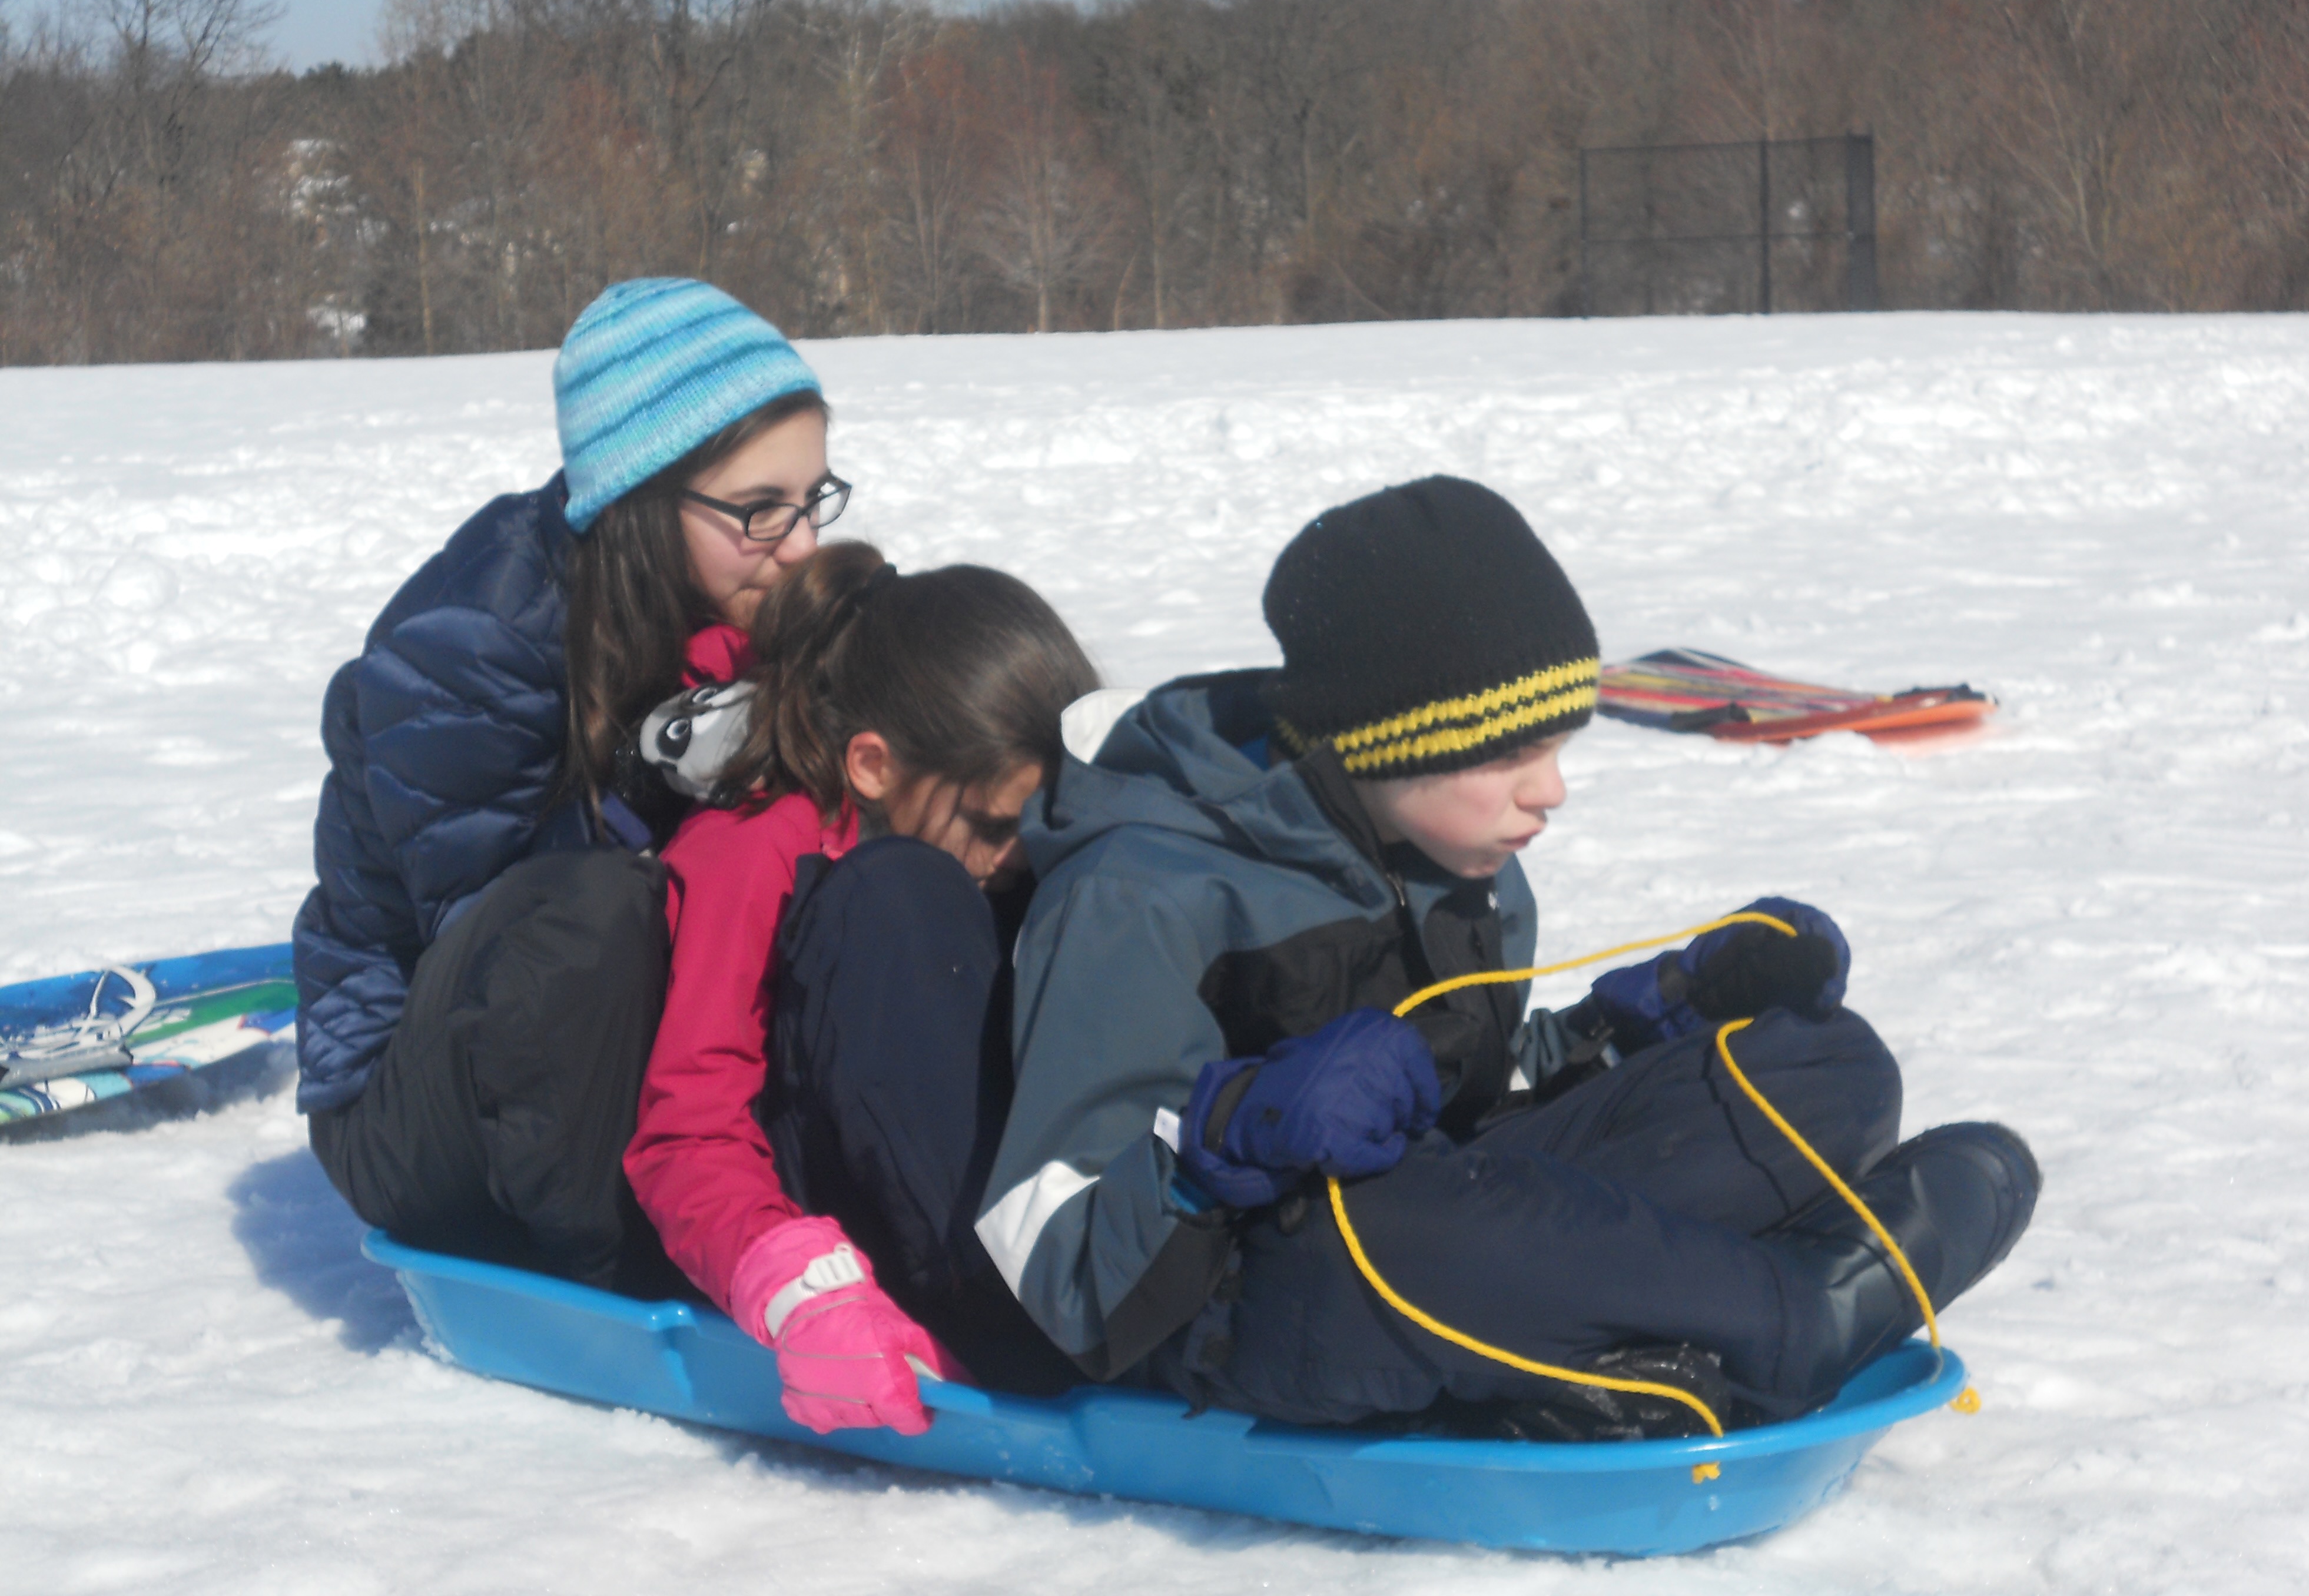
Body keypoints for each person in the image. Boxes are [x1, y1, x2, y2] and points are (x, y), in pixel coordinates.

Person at [972, 475, 2041, 1435]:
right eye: (1514, 754)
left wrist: (1646, 1021)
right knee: (1398, 1225)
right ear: (1389, 739)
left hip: (1452, 1208)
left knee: (1826, 1064)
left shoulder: (1452, 851)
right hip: (1259, 1293)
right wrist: (1229, 1139)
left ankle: (1653, 1321)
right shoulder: (1140, 893)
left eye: (1563, 746)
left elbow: (1470, 1096)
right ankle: (1796, 1320)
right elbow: (1053, 1259)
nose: (1553, 791)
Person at [295, 277, 847, 1293]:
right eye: (760, 511)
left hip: (579, 1063)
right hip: (415, 1102)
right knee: (593, 912)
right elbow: (503, 943)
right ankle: (624, 1257)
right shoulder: (471, 645)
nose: (802, 544)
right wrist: (648, 783)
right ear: (640, 496)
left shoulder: (732, 589)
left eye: (812, 500)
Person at [622, 541, 1100, 1435]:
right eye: (994, 825)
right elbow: (689, 1127)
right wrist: (799, 1287)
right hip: (840, 1224)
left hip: (1002, 1202)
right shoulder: (756, 848)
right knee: (900, 895)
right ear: (873, 765)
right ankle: (1001, 1307)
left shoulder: (1000, 855)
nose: (1011, 859)